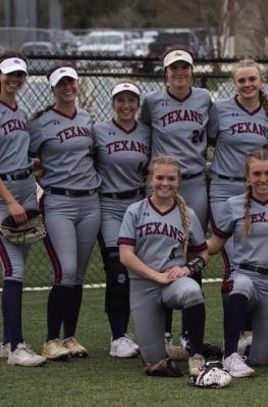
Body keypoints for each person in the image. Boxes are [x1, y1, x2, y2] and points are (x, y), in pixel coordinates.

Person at [140, 46, 212, 349]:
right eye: (174, 68)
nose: (179, 73)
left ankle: (187, 331)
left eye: (184, 68)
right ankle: (164, 330)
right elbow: (143, 136)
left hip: (194, 182)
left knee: (192, 253)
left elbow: (215, 136)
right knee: (159, 251)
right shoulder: (152, 102)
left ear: (192, 71)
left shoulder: (205, 99)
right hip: (162, 185)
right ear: (165, 72)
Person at [29, 65, 101, 360]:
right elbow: (25, 157)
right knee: (66, 271)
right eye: (61, 83)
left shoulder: (86, 118)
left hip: (89, 202)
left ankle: (70, 337)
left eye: (70, 81)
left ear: (77, 83)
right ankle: (50, 340)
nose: (67, 87)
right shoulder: (40, 122)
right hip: (58, 201)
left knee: (79, 274)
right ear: (53, 88)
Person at [206, 149, 268, 377]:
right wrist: (186, 248)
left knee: (262, 359)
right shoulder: (233, 204)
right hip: (245, 275)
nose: (263, 179)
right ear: (248, 177)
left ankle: (244, 349)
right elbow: (215, 245)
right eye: (257, 174)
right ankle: (230, 355)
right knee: (241, 285)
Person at [118, 155, 208, 377]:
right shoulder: (135, 210)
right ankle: (159, 353)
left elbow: (203, 252)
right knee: (154, 362)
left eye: (171, 178)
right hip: (143, 285)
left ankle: (196, 355)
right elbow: (125, 256)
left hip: (172, 282)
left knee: (193, 291)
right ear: (150, 179)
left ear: (178, 181)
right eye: (159, 178)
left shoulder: (188, 213)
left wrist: (187, 269)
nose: (165, 183)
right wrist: (155, 276)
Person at [207, 59, 268, 352]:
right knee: (234, 262)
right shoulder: (219, 109)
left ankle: (250, 331)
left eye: (252, 79)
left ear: (262, 81)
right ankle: (234, 335)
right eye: (241, 80)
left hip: (255, 192)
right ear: (234, 83)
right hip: (223, 188)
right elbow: (206, 143)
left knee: (255, 260)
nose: (247, 85)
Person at [94, 82, 151, 358]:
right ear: (113, 102)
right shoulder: (99, 131)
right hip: (108, 204)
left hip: (138, 204)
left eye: (131, 100)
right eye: (120, 100)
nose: (126, 105)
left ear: (138, 104)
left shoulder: (146, 132)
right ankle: (118, 337)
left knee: (140, 270)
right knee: (117, 269)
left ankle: (143, 331)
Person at [0, 53, 46, 367]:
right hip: (5, 200)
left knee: (16, 272)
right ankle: (17, 346)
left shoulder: (19, 110)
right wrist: (11, 201)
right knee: (13, 271)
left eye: (19, 75)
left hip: (26, 193)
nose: (14, 80)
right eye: (9, 75)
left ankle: (6, 342)